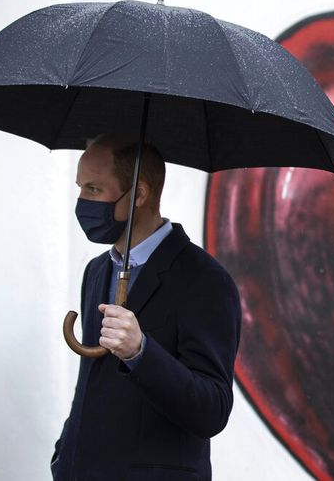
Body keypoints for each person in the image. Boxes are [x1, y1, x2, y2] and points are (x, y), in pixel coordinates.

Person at [51, 134, 241, 481]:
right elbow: (95, 385)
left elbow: (212, 410)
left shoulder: (205, 280)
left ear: (138, 194)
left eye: (94, 189)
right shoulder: (98, 270)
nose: (81, 201)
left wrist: (141, 352)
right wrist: (65, 454)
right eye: (80, 188)